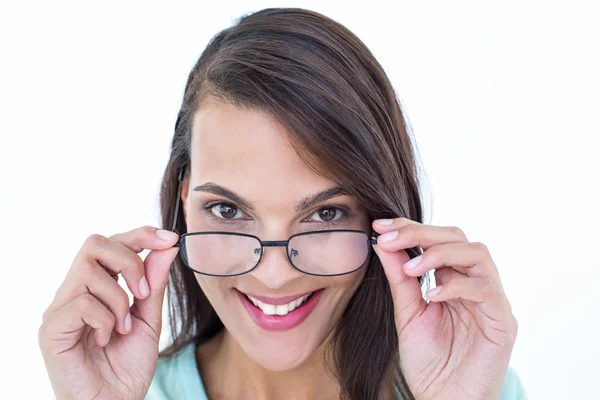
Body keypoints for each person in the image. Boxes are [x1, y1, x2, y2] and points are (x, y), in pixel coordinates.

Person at [38, 7, 527, 400]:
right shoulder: (122, 393)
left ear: (381, 221)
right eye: (228, 211)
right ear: (185, 203)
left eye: (325, 213)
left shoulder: (470, 385)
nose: (274, 275)